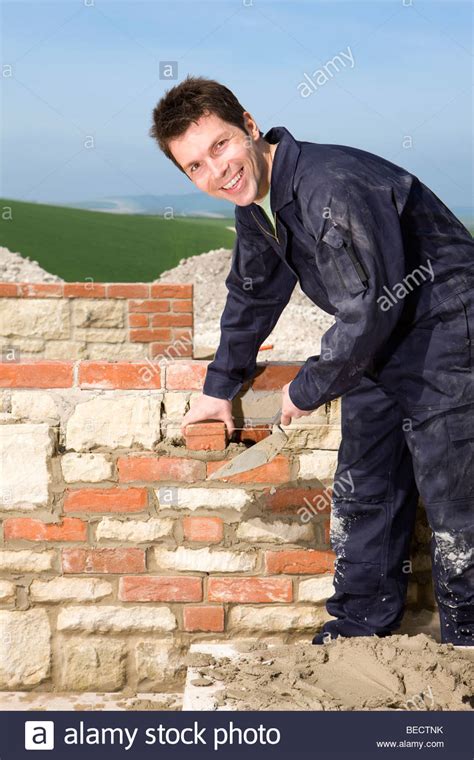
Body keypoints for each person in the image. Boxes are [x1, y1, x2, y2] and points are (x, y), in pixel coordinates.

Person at [149, 75, 474, 646]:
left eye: (220, 145)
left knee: (455, 494)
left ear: (249, 125)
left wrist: (307, 388)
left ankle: (468, 642)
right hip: (381, 342)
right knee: (364, 484)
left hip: (449, 331)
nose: (216, 171)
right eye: (195, 166)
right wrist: (220, 385)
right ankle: (358, 628)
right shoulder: (258, 203)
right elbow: (253, 292)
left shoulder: (329, 186)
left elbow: (369, 305)